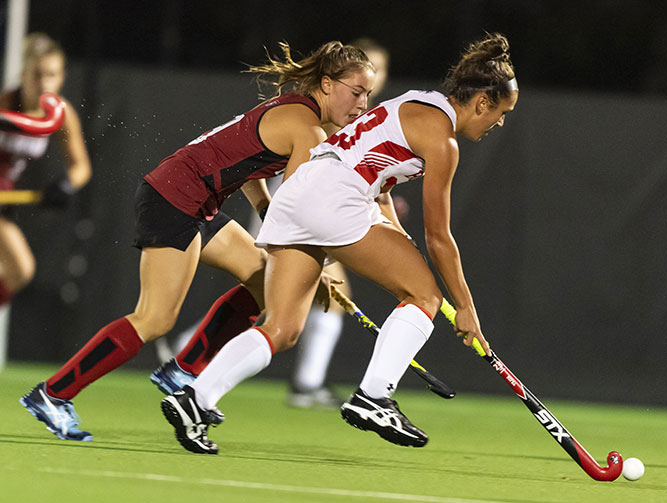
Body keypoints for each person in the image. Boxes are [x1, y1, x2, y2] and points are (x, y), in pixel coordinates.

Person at [161, 32, 518, 455]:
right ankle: (374, 397)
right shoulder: (443, 139)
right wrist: (465, 307)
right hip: (335, 200)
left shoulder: (413, 101)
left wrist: (392, 236)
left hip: (299, 194)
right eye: (500, 113)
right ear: (481, 101)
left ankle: (195, 401)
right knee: (423, 296)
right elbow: (439, 237)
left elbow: (377, 177)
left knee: (281, 328)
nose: (499, 123)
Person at [20, 41, 376, 441]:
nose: (363, 104)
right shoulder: (307, 129)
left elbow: (251, 170)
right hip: (175, 200)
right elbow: (296, 218)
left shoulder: (293, 108)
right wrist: (312, 271)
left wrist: (273, 228)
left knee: (263, 280)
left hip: (197, 200)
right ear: (327, 85)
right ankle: (53, 394)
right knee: (155, 318)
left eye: (368, 94)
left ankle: (183, 370)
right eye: (357, 92)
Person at [287, 37, 391, 408]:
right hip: (296, 206)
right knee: (280, 300)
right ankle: (305, 386)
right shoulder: (336, 114)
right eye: (364, 76)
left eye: (376, 74)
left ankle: (306, 385)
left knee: (279, 300)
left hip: (320, 212)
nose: (370, 83)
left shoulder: (364, 113)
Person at [0, 33, 91, 309]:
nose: (44, 84)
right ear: (23, 74)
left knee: (20, 270)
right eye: (37, 75)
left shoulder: (63, 116)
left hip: (5, 200)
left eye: (51, 75)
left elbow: (81, 167)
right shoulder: (6, 103)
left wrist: (66, 184)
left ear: (62, 77)